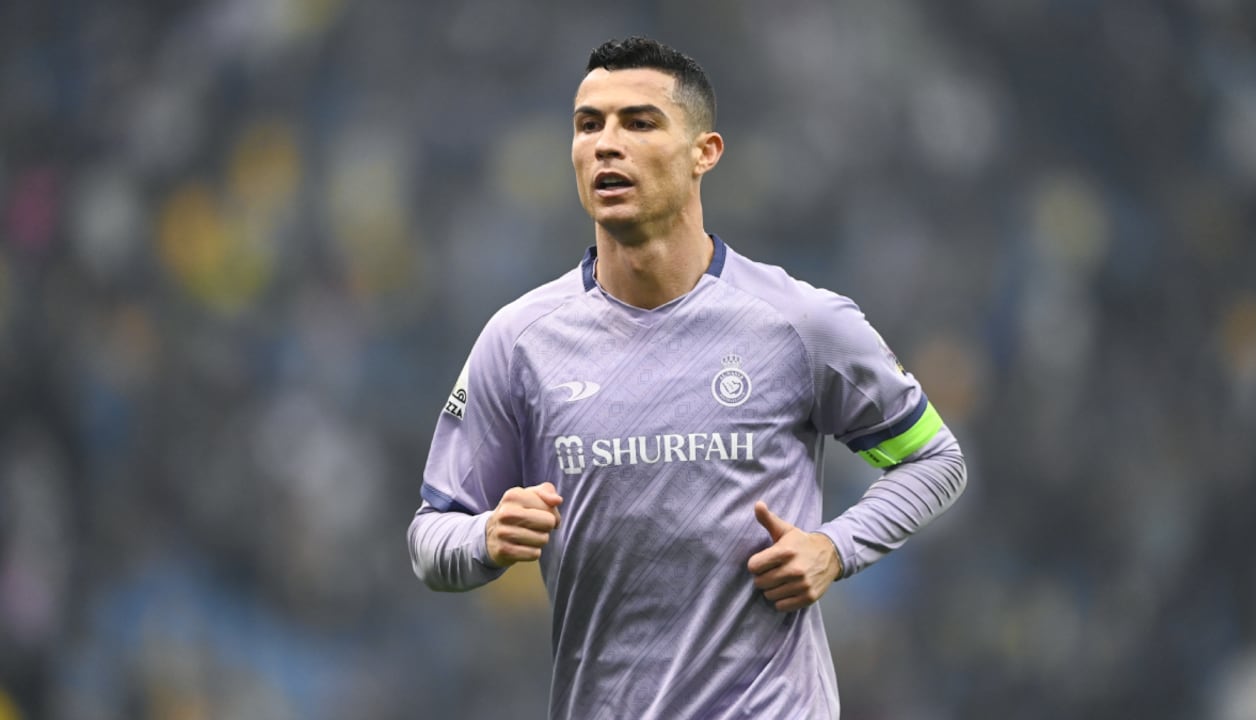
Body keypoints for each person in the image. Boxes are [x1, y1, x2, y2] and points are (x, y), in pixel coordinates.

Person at [408, 36, 966, 719]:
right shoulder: (519, 340)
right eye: (589, 125)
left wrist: (834, 548)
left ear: (705, 152)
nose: (606, 145)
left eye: (639, 123)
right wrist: (485, 536)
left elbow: (932, 458)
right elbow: (431, 536)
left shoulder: (800, 323)